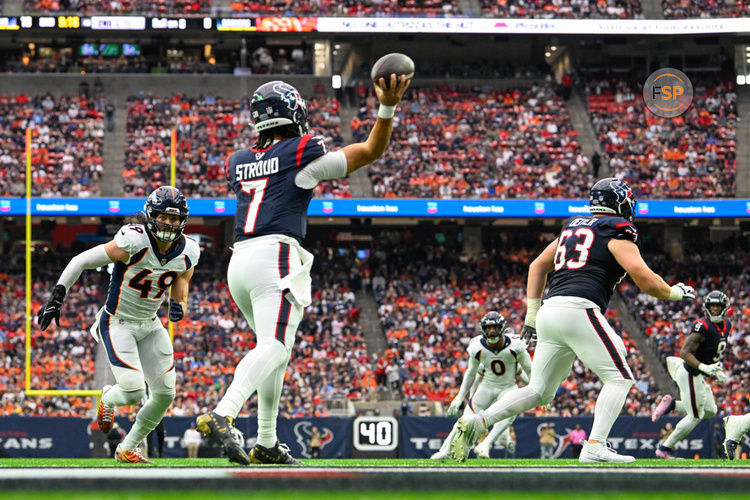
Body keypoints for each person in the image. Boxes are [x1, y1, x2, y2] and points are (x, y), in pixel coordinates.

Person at [196, 75, 410, 465]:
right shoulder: (301, 154)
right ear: (293, 114)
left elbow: (267, 170)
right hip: (274, 256)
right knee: (274, 347)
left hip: (238, 262)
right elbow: (370, 150)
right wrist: (387, 107)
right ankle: (223, 413)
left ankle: (266, 440)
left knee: (273, 351)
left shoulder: (238, 160)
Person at [450, 178, 695, 463]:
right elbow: (647, 280)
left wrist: (531, 315)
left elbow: (537, 266)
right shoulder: (616, 231)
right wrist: (675, 293)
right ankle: (594, 446)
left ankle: (476, 423)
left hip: (550, 310)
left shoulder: (573, 227)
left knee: (539, 390)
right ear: (618, 203)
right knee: (620, 377)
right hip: (579, 308)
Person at [38, 186, 199, 464]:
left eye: (175, 219)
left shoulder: (190, 250)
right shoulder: (133, 240)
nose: (169, 224)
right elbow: (82, 260)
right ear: (151, 215)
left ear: (182, 220)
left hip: (150, 323)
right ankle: (108, 398)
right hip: (117, 321)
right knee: (135, 389)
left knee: (164, 393)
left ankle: (127, 448)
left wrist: (179, 304)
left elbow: (182, 279)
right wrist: (57, 296)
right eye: (164, 217)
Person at [430, 312, 531, 460]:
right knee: (465, 417)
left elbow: (529, 370)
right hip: (488, 386)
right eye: (488, 328)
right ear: (483, 329)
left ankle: (487, 444)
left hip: (508, 387)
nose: (491, 331)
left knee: (509, 415)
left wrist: (537, 390)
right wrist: (460, 397)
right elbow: (471, 374)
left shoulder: (515, 344)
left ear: (502, 328)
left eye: (495, 327)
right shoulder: (477, 346)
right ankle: (445, 450)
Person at [651, 291, 732, 459]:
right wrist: (704, 367)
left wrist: (716, 370)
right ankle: (664, 447)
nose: (715, 309)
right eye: (712, 306)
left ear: (725, 308)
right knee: (696, 415)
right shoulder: (702, 326)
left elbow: (712, 352)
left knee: (710, 410)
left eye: (718, 306)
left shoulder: (727, 325)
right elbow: (684, 352)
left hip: (699, 374)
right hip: (690, 373)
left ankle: (672, 405)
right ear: (707, 308)